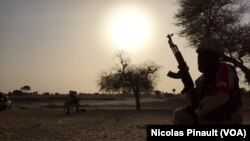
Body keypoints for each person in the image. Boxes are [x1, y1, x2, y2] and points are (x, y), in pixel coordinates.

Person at [173, 37, 242, 124]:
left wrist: (198, 110)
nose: (201, 58)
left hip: (228, 119)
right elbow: (195, 99)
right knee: (180, 114)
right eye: (200, 54)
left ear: (216, 57)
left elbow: (221, 97)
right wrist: (188, 86)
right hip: (209, 117)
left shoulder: (224, 71)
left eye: (205, 54)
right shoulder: (202, 79)